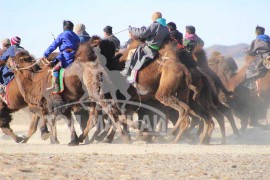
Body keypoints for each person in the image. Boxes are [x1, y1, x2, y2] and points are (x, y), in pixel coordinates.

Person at [121, 12, 170, 83]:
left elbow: (143, 33)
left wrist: (131, 29)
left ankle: (129, 74)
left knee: (133, 54)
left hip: (149, 48)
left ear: (154, 18)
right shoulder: (165, 28)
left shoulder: (155, 25)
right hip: (157, 49)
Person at [44, 20, 80, 94]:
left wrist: (46, 54)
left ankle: (56, 87)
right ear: (72, 28)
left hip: (66, 57)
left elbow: (53, 45)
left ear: (64, 27)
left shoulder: (62, 35)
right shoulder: (76, 36)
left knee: (55, 69)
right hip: (76, 56)